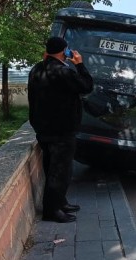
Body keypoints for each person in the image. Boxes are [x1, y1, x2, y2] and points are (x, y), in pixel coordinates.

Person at [28, 37, 94, 223]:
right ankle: (52, 211)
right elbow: (87, 86)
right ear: (64, 51)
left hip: (43, 128)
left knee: (51, 168)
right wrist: (79, 64)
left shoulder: (36, 70)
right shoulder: (63, 72)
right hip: (62, 130)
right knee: (60, 171)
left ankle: (60, 202)